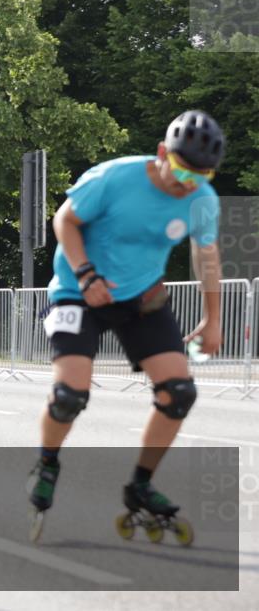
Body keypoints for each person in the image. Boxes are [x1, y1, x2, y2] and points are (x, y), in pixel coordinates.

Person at [27, 110, 224, 546]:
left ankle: (140, 485)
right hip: (78, 292)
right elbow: (64, 220)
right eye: (182, 172)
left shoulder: (202, 199)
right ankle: (47, 462)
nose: (187, 185)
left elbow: (206, 255)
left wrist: (213, 319)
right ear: (162, 154)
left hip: (140, 299)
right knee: (70, 395)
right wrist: (86, 276)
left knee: (179, 393)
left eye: (200, 177)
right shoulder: (114, 178)